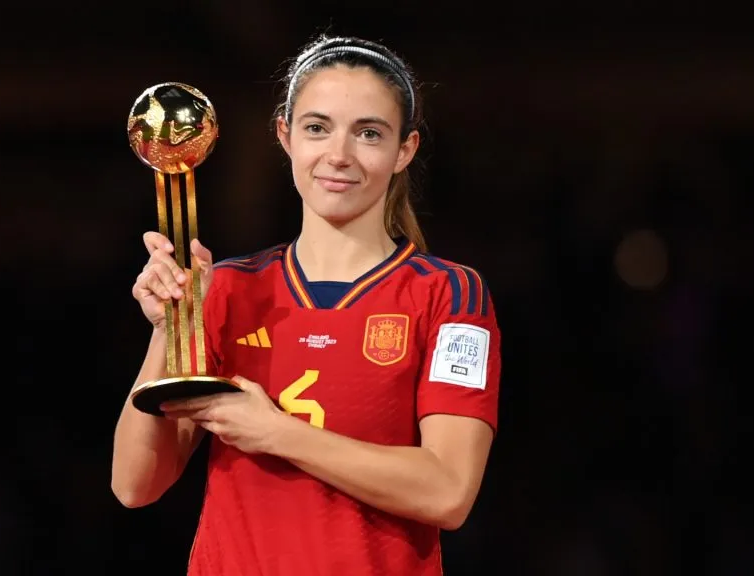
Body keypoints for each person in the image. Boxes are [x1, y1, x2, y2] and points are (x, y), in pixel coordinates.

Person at [112, 34, 501, 575]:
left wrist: (274, 431)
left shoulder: (448, 294)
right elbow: (134, 485)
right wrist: (169, 326)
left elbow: (447, 492)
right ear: (285, 135)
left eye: (369, 133)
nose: (338, 156)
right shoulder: (228, 288)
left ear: (403, 151)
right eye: (317, 128)